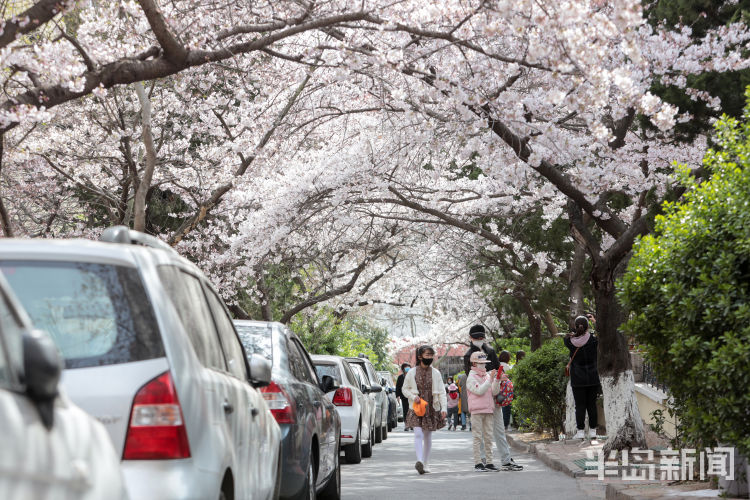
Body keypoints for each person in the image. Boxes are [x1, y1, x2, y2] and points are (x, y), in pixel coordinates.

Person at [402, 345, 447, 474]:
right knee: (418, 433)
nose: (429, 358)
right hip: (416, 407)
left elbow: (442, 392)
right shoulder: (411, 372)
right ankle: (420, 461)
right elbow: (404, 389)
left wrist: (444, 408)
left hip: (431, 407)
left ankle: (426, 463)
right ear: (420, 356)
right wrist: (413, 396)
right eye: (427, 355)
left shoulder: (436, 373)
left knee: (427, 435)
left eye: (431, 355)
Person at [564, 315, 601, 439]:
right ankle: (593, 431)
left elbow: (567, 336)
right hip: (592, 378)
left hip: (577, 379)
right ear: (587, 327)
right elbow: (601, 333)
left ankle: (580, 432)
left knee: (579, 405)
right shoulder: (594, 340)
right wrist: (594, 322)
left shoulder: (569, 341)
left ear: (575, 327)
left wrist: (574, 332)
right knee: (591, 405)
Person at [466, 351, 499, 472]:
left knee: (489, 437)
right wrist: (490, 380)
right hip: (476, 411)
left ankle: (490, 462)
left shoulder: (486, 376)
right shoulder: (471, 377)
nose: (483, 365)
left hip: (488, 410)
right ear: (474, 363)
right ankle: (478, 463)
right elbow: (479, 391)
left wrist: (497, 380)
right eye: (481, 363)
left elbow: (494, 392)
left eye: (484, 363)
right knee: (477, 437)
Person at [498, 350, 513, 430]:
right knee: (506, 406)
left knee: (498, 406)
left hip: (498, 388)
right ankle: (505, 424)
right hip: (506, 389)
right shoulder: (507, 366)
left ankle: (500, 424)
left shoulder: (497, 365)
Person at [395, 363, 412, 431]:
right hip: (404, 396)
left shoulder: (413, 376)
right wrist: (398, 396)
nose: (407, 369)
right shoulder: (400, 377)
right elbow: (398, 387)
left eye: (408, 367)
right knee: (405, 410)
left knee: (412, 410)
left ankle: (412, 424)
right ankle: (407, 424)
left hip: (412, 396)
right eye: (406, 368)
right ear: (403, 369)